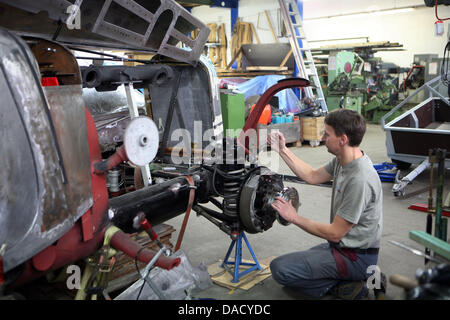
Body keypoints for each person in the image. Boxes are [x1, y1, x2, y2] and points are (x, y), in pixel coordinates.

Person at [267, 109, 383, 300]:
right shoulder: (343, 161)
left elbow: (335, 233)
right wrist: (282, 149)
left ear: (343, 139)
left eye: (327, 134)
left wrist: (293, 217)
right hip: (342, 247)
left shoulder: (360, 179)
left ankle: (349, 286)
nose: (322, 138)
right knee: (299, 262)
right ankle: (358, 277)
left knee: (280, 269)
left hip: (355, 256)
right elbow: (312, 176)